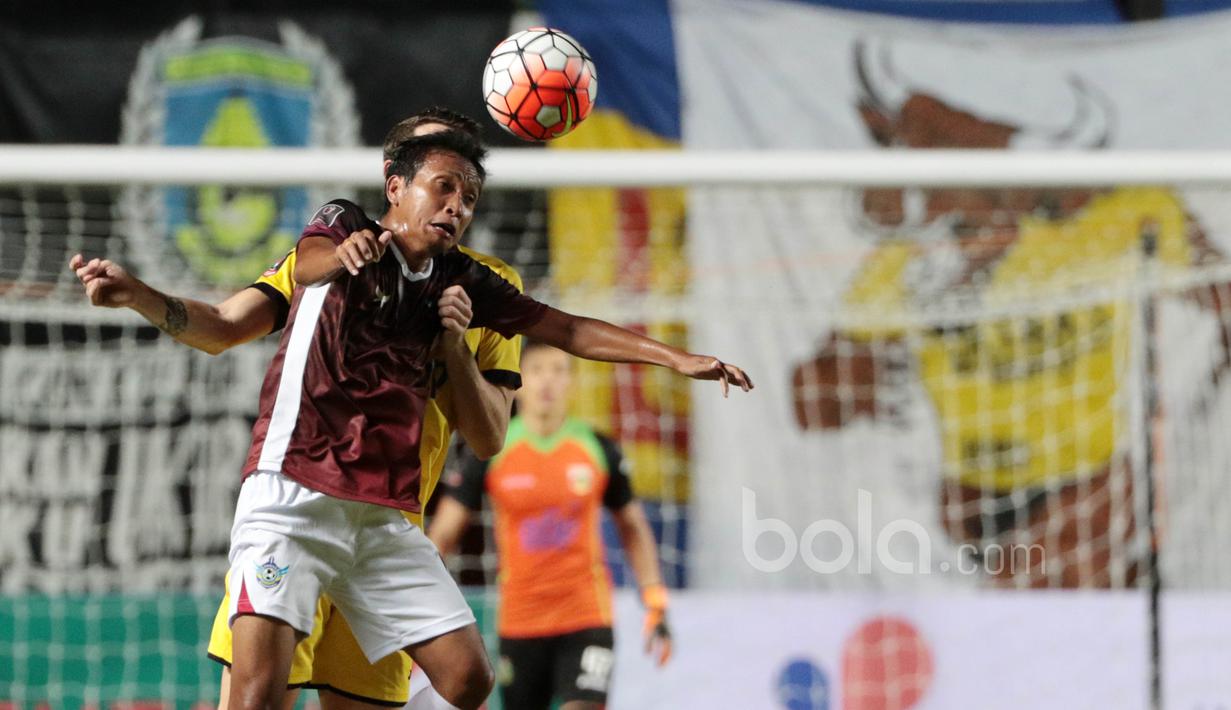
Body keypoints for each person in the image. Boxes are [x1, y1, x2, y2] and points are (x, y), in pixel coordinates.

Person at [210, 127, 747, 710]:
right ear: (395, 183)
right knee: (258, 696)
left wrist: (673, 358)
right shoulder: (342, 227)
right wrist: (338, 256)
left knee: (469, 680)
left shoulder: (467, 281)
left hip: (380, 515)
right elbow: (298, 267)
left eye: (468, 199)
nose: (456, 207)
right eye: (443, 188)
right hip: (294, 498)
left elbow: (566, 330)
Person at [70, 108, 519, 710]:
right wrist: (139, 297)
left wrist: (454, 344)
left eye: (459, 177)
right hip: (297, 510)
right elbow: (226, 325)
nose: (448, 195)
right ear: (396, 178)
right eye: (428, 165)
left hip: (384, 534)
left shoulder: (488, 288)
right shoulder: (333, 258)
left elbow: (490, 436)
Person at [791, 41, 1229, 588]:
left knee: (1045, 605)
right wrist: (861, 377)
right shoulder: (912, 259)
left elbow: (1219, 292)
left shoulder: (1124, 215)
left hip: (1085, 486)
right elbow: (812, 403)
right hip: (967, 499)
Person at [430, 340, 672, 710]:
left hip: (587, 616)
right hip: (520, 621)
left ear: (572, 384)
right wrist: (426, 613)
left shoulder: (596, 448)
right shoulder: (491, 450)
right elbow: (443, 536)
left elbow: (633, 527)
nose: (547, 382)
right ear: (520, 381)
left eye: (558, 371)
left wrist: (655, 599)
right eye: (538, 370)